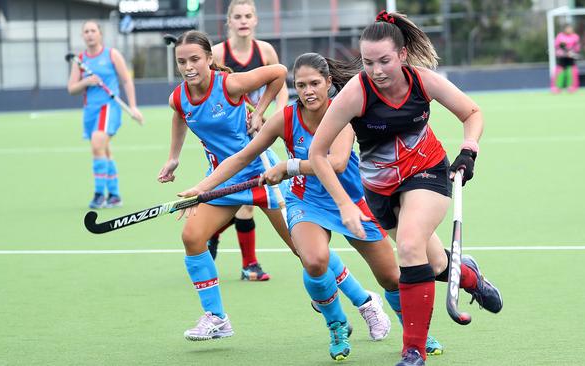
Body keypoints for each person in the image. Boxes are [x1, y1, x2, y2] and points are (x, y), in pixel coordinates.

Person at [177, 52, 443, 360]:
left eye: (315, 83)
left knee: (390, 277)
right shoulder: (286, 118)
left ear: (329, 83)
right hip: (306, 201)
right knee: (314, 260)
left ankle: (415, 334)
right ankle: (337, 325)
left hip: (352, 200)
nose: (308, 91)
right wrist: (202, 188)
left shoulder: (343, 113)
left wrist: (289, 166)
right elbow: (241, 157)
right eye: (300, 85)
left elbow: (338, 163)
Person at [309, 11, 503, 366]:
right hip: (380, 190)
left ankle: (413, 351)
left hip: (427, 171)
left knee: (410, 246)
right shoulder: (355, 94)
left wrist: (468, 151)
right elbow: (317, 154)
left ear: (402, 55)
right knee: (433, 261)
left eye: (384, 60)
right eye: (368, 62)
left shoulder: (424, 81)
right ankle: (469, 276)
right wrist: (346, 205)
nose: (377, 70)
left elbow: (472, 113)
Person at [157, 30, 292, 342]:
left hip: (259, 172)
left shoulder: (230, 84)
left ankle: (363, 301)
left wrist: (259, 112)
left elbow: (279, 73)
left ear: (209, 59)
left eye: (194, 59)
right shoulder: (178, 96)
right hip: (223, 178)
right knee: (192, 237)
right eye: (182, 61)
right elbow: (181, 114)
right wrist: (173, 158)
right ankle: (217, 318)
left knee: (305, 252)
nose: (188, 66)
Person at [204, 0, 290, 281]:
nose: (243, 20)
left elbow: (280, 88)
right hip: (228, 136)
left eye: (248, 16)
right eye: (237, 16)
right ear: (229, 21)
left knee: (248, 195)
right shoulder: (217, 53)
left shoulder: (264, 50)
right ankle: (248, 263)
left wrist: (273, 114)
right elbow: (210, 92)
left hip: (258, 130)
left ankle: (215, 235)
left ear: (255, 21)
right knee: (246, 198)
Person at [67, 20, 144, 209]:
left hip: (109, 107)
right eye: (86, 31)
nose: (90, 34)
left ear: (100, 34)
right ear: (82, 36)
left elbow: (126, 81)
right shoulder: (80, 59)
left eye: (93, 30)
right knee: (103, 150)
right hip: (90, 111)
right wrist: (87, 82)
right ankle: (115, 195)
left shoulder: (112, 54)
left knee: (97, 144)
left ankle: (99, 194)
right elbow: (71, 88)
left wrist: (133, 106)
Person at [551, 24, 580, 94]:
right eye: (568, 28)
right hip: (562, 58)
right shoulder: (560, 36)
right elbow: (557, 47)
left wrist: (572, 52)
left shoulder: (575, 37)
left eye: (570, 28)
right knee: (560, 72)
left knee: (571, 72)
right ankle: (557, 88)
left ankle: (571, 87)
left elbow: (577, 47)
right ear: (564, 29)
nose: (569, 30)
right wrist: (562, 53)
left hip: (571, 58)